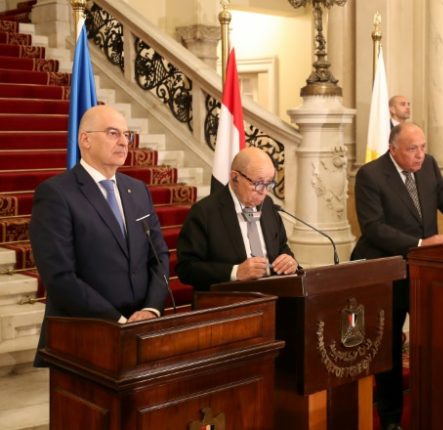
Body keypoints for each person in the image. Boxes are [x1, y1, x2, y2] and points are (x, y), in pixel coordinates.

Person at [351, 122, 443, 430]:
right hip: (387, 270)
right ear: (393, 149)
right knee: (390, 346)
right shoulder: (370, 175)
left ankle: (434, 407)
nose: (420, 155)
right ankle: (391, 419)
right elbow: (373, 228)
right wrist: (420, 244)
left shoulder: (429, 165)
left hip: (426, 272)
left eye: (423, 147)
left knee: (433, 340)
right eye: (412, 149)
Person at [29, 105, 169, 366]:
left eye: (127, 134)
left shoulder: (137, 190)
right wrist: (117, 321)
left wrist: (150, 310)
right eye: (113, 133)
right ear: (85, 139)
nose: (123, 142)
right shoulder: (56, 194)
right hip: (85, 337)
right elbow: (60, 276)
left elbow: (158, 255)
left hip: (141, 331)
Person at [176, 147, 297, 291]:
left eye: (269, 184)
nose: (264, 192)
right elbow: (187, 268)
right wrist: (235, 272)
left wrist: (288, 260)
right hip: (231, 298)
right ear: (235, 177)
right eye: (258, 184)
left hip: (275, 294)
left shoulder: (268, 205)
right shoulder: (205, 212)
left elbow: (282, 246)